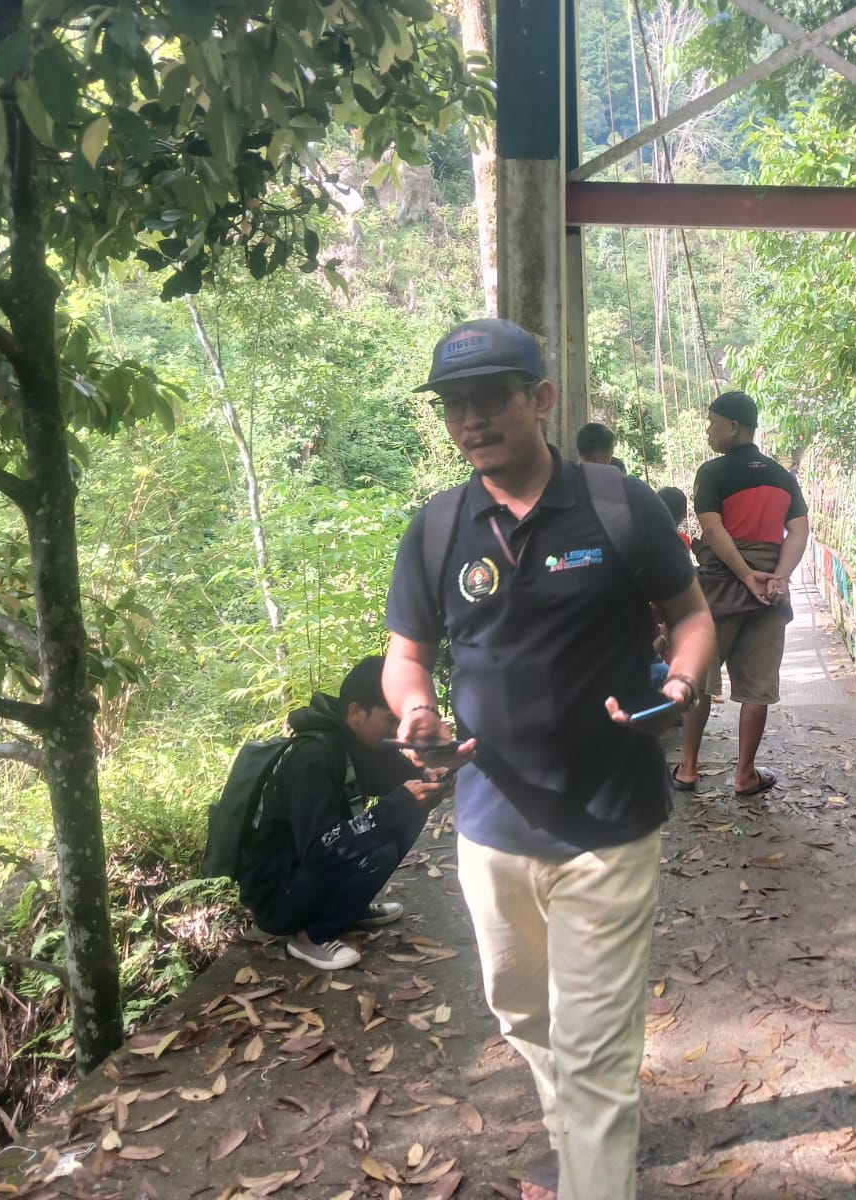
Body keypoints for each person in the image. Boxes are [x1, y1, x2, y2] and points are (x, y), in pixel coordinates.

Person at [382, 318, 714, 1200]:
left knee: (598, 1055)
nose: (473, 420)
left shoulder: (617, 504)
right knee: (521, 1011)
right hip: (491, 830)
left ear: (542, 399)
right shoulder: (439, 526)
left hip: (610, 826)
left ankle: (592, 1170)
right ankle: (576, 1141)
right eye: (456, 405)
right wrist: (415, 709)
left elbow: (691, 617)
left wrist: (679, 685)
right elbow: (405, 653)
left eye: (492, 398)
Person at [236, 655, 452, 971]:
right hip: (279, 896)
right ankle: (311, 936)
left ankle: (350, 908)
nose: (397, 731)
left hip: (309, 873)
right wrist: (399, 804)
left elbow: (406, 781)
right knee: (380, 848)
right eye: (390, 720)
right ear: (355, 713)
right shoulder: (313, 759)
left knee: (410, 809)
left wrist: (435, 782)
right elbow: (320, 847)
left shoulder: (360, 743)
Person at [674, 391, 809, 799]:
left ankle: (688, 767)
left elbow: (713, 530)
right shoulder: (784, 477)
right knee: (758, 685)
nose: (708, 430)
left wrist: (745, 574)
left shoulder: (712, 473)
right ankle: (745, 774)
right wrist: (778, 578)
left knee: (700, 680)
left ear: (733, 427)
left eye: (713, 422)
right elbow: (800, 530)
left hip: (719, 585)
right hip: (769, 591)